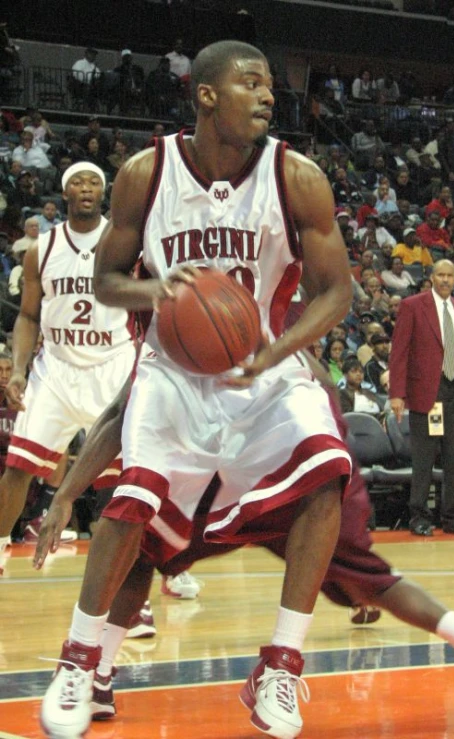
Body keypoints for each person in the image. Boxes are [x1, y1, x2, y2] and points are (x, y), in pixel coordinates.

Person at [40, 41, 355, 739]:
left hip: (265, 363)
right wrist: (160, 291)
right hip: (171, 368)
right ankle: (80, 659)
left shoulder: (296, 176)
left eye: (270, 85)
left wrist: (279, 347)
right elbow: (107, 281)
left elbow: (338, 290)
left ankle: (280, 661)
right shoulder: (144, 174)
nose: (268, 95)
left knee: (328, 473)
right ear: (206, 94)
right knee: (134, 498)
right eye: (250, 83)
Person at [34, 355, 454, 726]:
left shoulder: (204, 319)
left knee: (144, 548)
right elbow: (325, 392)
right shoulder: (278, 319)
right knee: (370, 579)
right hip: (298, 465)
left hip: (265, 466)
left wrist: (66, 494)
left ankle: (98, 674)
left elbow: (122, 411)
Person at [0, 162, 137, 577]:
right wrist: (20, 369)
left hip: (113, 364)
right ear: (64, 193)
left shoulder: (124, 241)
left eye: (94, 182)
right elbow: (27, 317)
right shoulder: (43, 247)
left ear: (104, 192)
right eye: (77, 182)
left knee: (128, 476)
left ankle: (145, 569)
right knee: (19, 467)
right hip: (56, 367)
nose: (86, 188)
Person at [389, 260, 454, 537]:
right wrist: (397, 393)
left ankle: (452, 517)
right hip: (427, 394)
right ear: (431, 278)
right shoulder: (413, 306)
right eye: (440, 275)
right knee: (424, 460)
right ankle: (419, 517)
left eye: (450, 276)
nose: (445, 280)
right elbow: (399, 352)